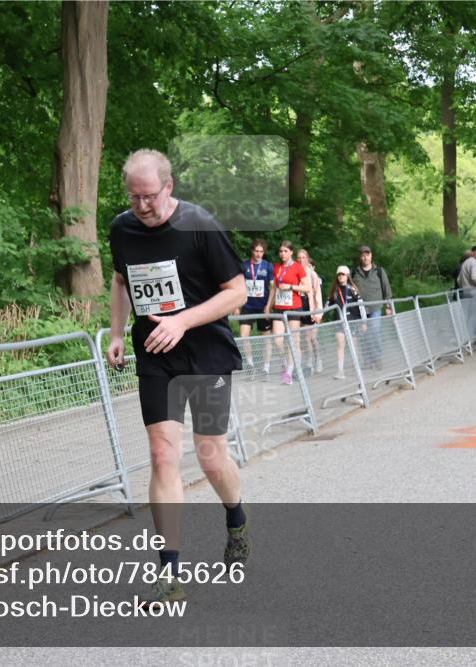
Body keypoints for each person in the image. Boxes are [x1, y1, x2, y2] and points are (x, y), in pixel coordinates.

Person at [105, 149, 249, 608]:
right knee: (163, 455)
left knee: (211, 457)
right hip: (156, 354)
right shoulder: (122, 228)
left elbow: (237, 292)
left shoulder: (198, 224)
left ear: (168, 187)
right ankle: (169, 574)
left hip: (206, 353)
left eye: (149, 196)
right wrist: (116, 333)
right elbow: (120, 281)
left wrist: (182, 321)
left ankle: (236, 518)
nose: (142, 206)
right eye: (134, 197)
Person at [266, 240, 310, 385]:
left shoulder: (298, 267)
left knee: (293, 340)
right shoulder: (277, 267)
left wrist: (291, 287)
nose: (283, 254)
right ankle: (286, 363)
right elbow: (274, 288)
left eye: (286, 251)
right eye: (281, 251)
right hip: (279, 307)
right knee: (277, 339)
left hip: (294, 307)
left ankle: (289, 372)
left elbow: (307, 287)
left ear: (291, 252)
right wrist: (268, 305)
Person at [351, 245, 393, 368]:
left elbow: (386, 288)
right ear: (360, 257)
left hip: (376, 307)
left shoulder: (379, 271)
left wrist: (388, 306)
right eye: (363, 255)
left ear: (371, 255)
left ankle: (377, 358)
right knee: (363, 334)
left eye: (367, 255)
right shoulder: (354, 272)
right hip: (360, 309)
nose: (365, 257)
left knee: (375, 331)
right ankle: (368, 360)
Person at [236, 239, 274, 373]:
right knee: (243, 336)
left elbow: (273, 288)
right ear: (252, 251)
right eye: (256, 251)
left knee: (266, 337)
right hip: (247, 306)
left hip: (263, 306)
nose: (258, 254)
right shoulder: (244, 265)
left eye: (261, 251)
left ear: (264, 252)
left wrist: (268, 306)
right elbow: (238, 286)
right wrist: (236, 306)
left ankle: (266, 368)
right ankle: (250, 364)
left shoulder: (268, 266)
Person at [326, 266, 364, 380]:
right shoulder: (334, 291)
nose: (341, 276)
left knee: (353, 345)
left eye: (343, 274)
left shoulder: (353, 289)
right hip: (339, 321)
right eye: (339, 274)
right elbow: (327, 305)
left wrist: (363, 322)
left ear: (347, 276)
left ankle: (356, 367)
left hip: (352, 321)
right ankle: (340, 370)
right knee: (340, 344)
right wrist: (319, 315)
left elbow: (361, 306)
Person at [296, 248, 323, 374]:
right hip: (297, 305)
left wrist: (318, 313)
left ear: (307, 259)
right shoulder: (294, 272)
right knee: (301, 338)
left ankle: (314, 360)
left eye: (303, 258)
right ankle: (303, 362)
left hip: (310, 307)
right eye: (299, 258)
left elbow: (318, 295)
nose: (301, 260)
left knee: (310, 338)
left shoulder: (312, 275)